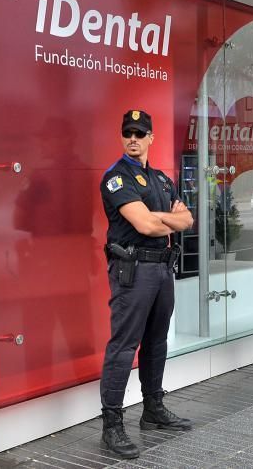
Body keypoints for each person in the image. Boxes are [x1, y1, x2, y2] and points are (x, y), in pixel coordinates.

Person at [98, 109, 195, 458]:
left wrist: (160, 218)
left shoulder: (161, 180)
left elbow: (188, 218)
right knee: (124, 346)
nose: (133, 139)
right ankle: (112, 426)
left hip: (161, 271)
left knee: (156, 343)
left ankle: (152, 409)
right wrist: (165, 220)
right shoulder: (116, 178)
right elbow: (146, 227)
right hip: (133, 271)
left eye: (140, 133)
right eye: (128, 133)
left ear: (152, 138)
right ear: (122, 137)